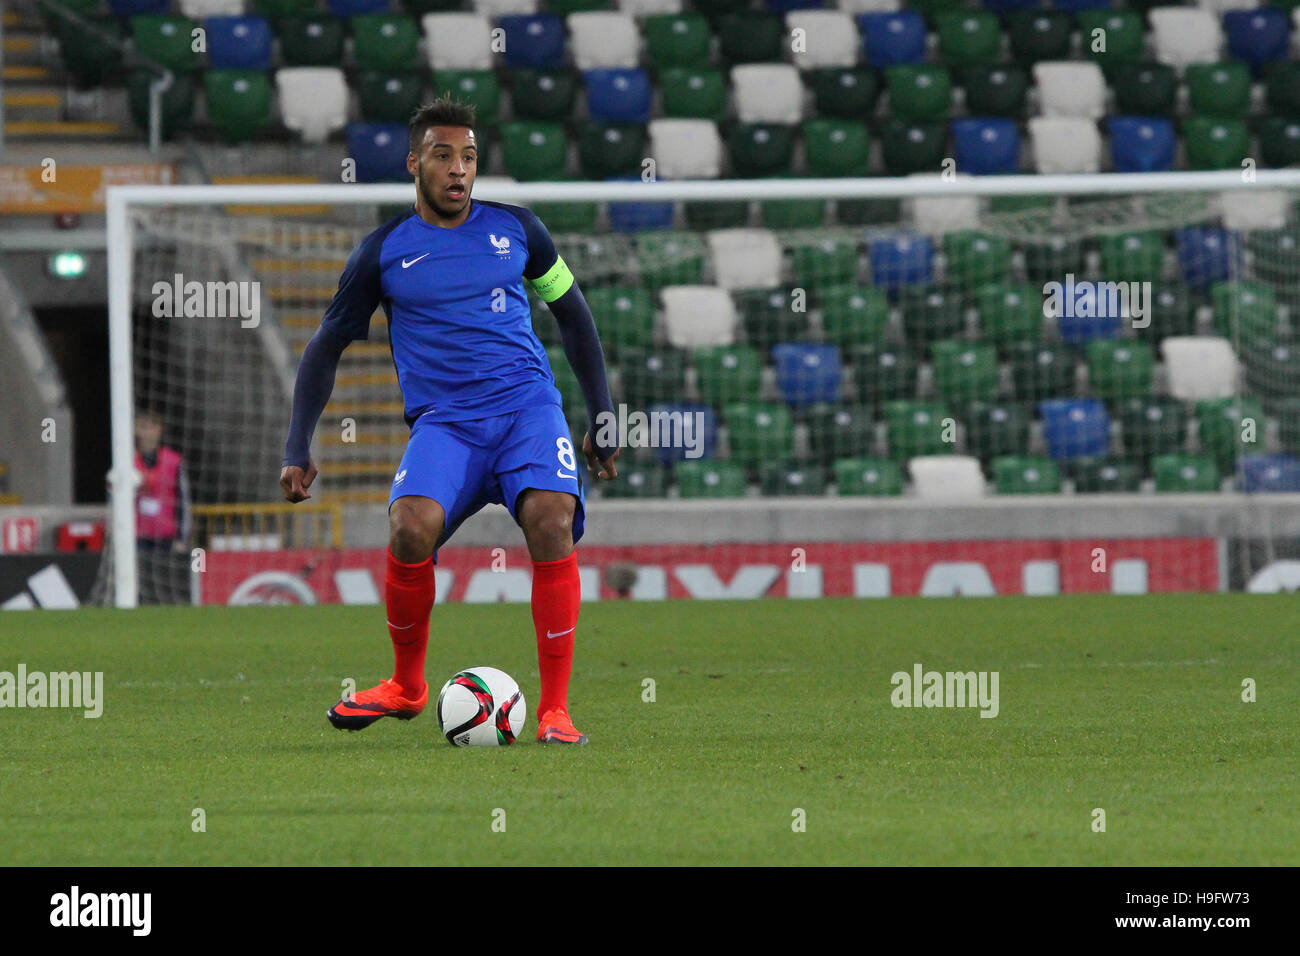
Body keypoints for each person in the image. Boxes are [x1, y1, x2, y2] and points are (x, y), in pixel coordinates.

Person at [280, 96, 619, 744]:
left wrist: (602, 415)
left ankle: (555, 710)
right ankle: (407, 684)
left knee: (551, 518)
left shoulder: (519, 230)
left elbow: (573, 315)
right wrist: (298, 446)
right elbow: (326, 345)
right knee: (410, 528)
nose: (458, 169)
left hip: (527, 409)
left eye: (467, 157)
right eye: (443, 156)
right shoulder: (383, 253)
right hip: (448, 423)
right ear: (414, 164)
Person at [134, 408, 191, 555]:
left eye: (153, 427)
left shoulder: (174, 461)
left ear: (160, 430)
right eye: (143, 427)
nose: (148, 432)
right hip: (136, 536)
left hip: (166, 536)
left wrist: (182, 538)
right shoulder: (127, 462)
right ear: (136, 429)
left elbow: (183, 502)